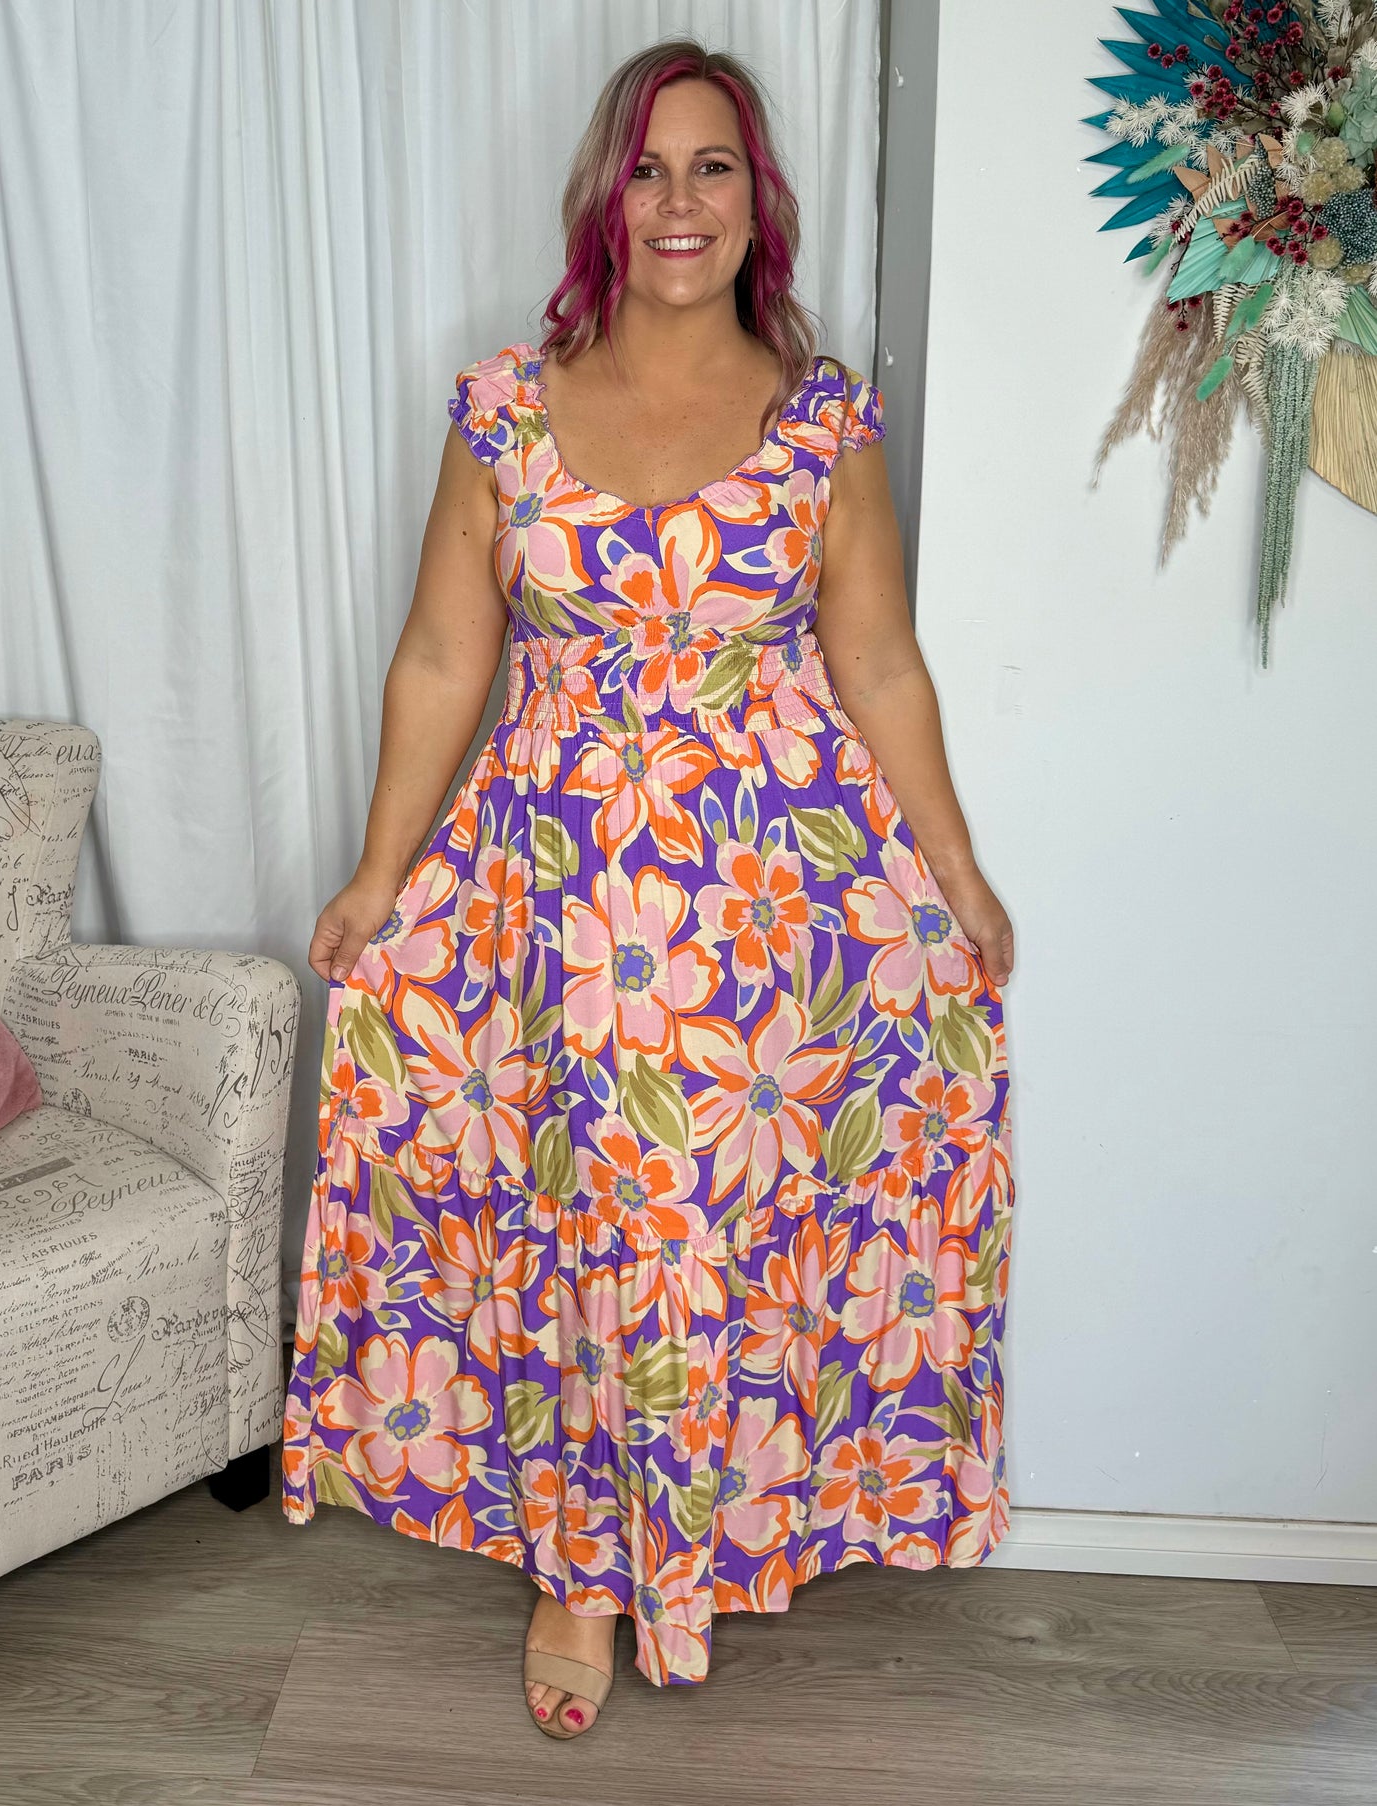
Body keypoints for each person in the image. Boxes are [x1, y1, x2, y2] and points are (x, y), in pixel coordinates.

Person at [280, 37, 1015, 1742]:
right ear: (602, 200)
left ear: (757, 201)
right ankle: (583, 1562)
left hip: (767, 905)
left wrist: (955, 867)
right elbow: (442, 655)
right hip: (550, 895)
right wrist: (379, 873)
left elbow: (877, 661)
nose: (678, 201)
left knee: (711, 1231)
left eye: (712, 167)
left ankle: (699, 1530)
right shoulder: (504, 408)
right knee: (586, 1225)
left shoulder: (821, 423)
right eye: (647, 168)